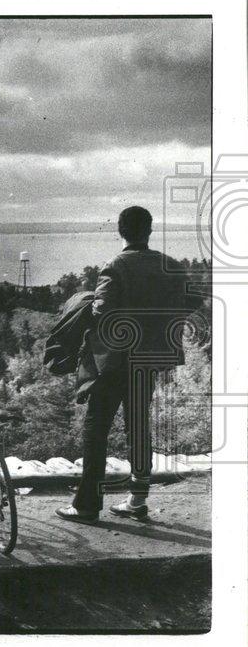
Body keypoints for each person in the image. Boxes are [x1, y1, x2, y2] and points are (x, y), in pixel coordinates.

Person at [57, 206, 197, 524]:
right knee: (138, 428)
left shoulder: (116, 264)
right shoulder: (169, 265)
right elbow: (191, 302)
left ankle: (87, 505)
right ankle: (137, 501)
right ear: (148, 231)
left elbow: (101, 310)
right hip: (147, 361)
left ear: (120, 231)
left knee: (96, 429)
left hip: (114, 362)